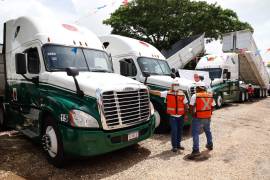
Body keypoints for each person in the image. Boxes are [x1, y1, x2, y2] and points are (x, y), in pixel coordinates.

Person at [150, 82, 189, 153]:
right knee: (174, 131)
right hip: (173, 117)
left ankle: (178, 145)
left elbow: (186, 105)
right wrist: (149, 91)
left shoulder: (182, 94)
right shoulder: (168, 93)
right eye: (175, 85)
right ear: (172, 86)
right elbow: (158, 93)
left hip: (180, 117)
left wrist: (186, 115)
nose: (176, 87)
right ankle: (174, 147)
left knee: (180, 131)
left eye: (177, 85)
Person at [189, 86, 216, 157]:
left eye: (196, 88)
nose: (195, 90)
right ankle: (210, 145)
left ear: (198, 88)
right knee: (207, 131)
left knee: (195, 133)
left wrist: (193, 115)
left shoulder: (195, 96)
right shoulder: (210, 95)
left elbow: (191, 107)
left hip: (198, 117)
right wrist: (209, 113)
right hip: (207, 117)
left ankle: (196, 150)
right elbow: (213, 106)